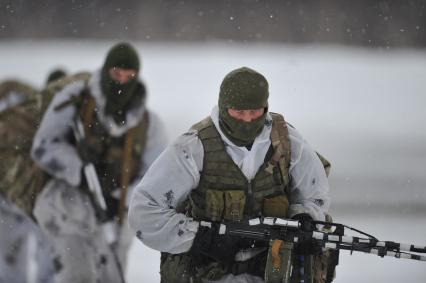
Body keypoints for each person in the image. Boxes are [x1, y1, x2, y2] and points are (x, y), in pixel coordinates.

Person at [129, 67, 332, 283]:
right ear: (224, 107)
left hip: (272, 270)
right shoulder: (193, 147)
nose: (247, 120)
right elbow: (144, 212)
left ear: (265, 107)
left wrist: (304, 220)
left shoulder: (288, 143)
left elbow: (315, 196)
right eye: (238, 112)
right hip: (208, 273)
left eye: (254, 112)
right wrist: (201, 238)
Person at [31, 42, 168, 283]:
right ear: (106, 72)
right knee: (77, 276)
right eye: (117, 74)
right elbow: (42, 147)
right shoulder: (74, 100)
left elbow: (157, 177)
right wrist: (78, 168)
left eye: (129, 76)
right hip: (68, 209)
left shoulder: (148, 123)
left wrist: (124, 200)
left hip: (117, 219)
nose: (122, 82)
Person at [0, 69, 67, 283]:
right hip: (22, 204)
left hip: (31, 205)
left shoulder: (31, 112)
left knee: (39, 268)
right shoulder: (31, 116)